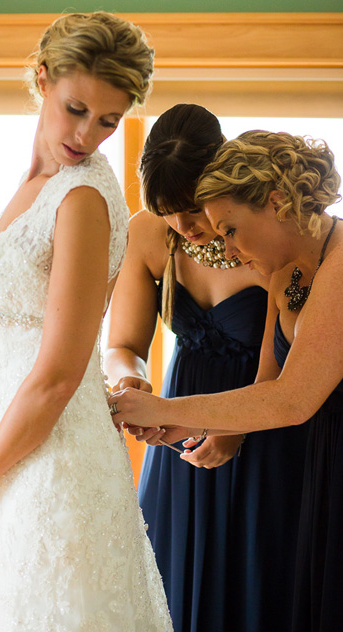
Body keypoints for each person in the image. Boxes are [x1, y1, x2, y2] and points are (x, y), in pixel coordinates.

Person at [0, 12, 171, 630]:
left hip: (60, 455)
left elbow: (61, 372)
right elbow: (15, 329)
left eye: (107, 121)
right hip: (17, 444)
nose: (87, 133)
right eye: (76, 108)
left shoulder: (84, 198)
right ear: (42, 78)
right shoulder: (33, 185)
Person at [109, 130, 342, 631]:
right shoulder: (289, 276)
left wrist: (164, 410)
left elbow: (292, 400)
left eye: (230, 228)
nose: (226, 249)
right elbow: (268, 385)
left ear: (277, 202)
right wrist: (176, 424)